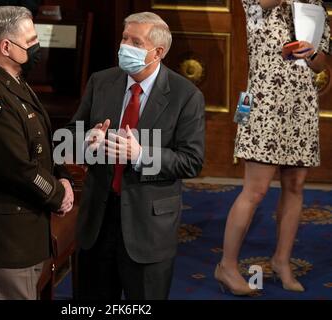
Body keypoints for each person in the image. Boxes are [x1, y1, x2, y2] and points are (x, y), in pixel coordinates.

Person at [66, 12, 205, 300]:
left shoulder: (185, 95)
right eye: (124, 38)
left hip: (148, 228)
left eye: (135, 41)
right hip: (97, 221)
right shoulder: (101, 81)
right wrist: (87, 141)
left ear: (158, 52)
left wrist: (141, 154)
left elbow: (191, 160)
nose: (124, 46)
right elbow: (69, 137)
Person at [0, 6, 74, 300]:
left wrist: (63, 175)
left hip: (21, 236)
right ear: (6, 47)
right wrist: (59, 194)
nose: (37, 47)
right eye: (30, 41)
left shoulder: (10, 77)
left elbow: (39, 138)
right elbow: (18, 167)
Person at [215, 0, 330, 295]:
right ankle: (226, 266)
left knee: (295, 185)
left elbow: (320, 63)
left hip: (301, 105)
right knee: (256, 190)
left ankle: (282, 261)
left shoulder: (315, 5)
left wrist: (312, 52)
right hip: (264, 106)